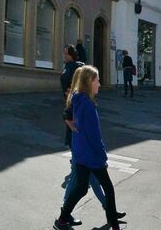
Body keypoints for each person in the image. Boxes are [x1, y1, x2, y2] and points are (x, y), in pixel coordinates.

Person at [53, 66, 124, 230]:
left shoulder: (77, 99)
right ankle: (114, 225)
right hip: (92, 156)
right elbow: (94, 137)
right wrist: (102, 156)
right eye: (97, 80)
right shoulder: (89, 106)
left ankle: (62, 219)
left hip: (81, 153)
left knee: (81, 187)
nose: (99, 84)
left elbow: (70, 119)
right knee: (108, 188)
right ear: (89, 82)